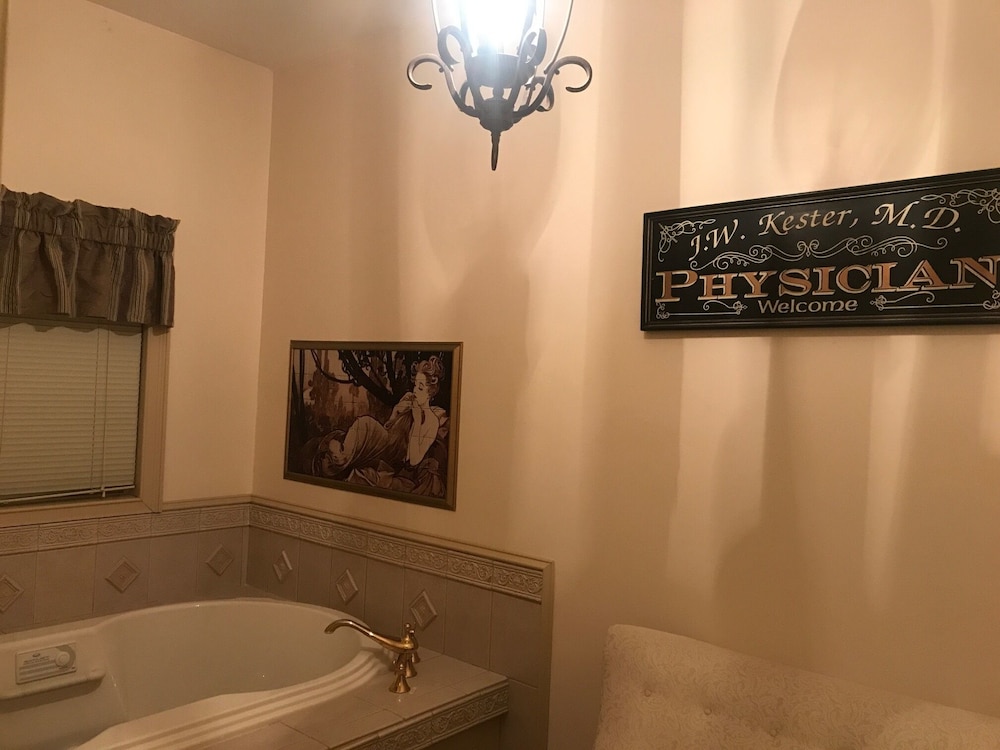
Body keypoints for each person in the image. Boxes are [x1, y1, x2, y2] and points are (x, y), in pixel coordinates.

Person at [313, 357, 449, 496]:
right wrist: (395, 412)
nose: (415, 391)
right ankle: (340, 456)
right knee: (364, 425)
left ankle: (340, 458)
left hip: (394, 456)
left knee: (364, 425)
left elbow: (413, 460)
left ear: (430, 392)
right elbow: (389, 426)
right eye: (415, 385)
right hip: (386, 441)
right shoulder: (409, 399)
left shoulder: (431, 421)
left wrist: (418, 420)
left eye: (420, 387)